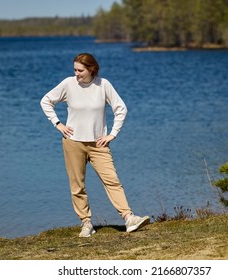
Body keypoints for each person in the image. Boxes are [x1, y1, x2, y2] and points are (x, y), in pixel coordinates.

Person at [40, 53, 150, 237]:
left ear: (91, 69)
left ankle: (129, 218)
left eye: (80, 70)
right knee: (77, 186)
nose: (77, 74)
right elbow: (46, 101)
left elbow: (121, 109)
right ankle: (86, 223)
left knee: (112, 180)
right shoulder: (68, 84)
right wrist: (58, 124)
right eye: (75, 69)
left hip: (99, 144)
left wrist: (112, 134)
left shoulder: (103, 85)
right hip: (73, 143)